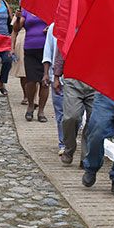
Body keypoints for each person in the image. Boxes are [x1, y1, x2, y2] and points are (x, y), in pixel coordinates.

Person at [54, 50, 95, 167]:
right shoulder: (70, 31)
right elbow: (62, 49)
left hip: (96, 81)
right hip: (73, 79)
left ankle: (86, 157)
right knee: (71, 117)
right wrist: (56, 75)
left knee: (94, 120)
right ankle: (69, 147)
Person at [13, 9, 48, 122]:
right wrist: (18, 18)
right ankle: (31, 105)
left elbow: (58, 24)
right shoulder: (26, 11)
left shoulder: (50, 8)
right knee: (31, 80)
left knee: (45, 82)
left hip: (46, 49)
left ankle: (41, 111)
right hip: (30, 49)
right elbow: (16, 29)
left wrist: (51, 28)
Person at [42, 23, 65, 155]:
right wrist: (46, 74)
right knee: (60, 112)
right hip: (57, 77)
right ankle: (63, 143)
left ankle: (70, 139)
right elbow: (48, 51)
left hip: (77, 80)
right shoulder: (53, 27)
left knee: (74, 116)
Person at [10, 11, 28, 104]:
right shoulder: (21, 12)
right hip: (21, 42)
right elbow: (14, 31)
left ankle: (34, 97)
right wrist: (12, 47)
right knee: (22, 71)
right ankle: (26, 95)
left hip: (37, 41)